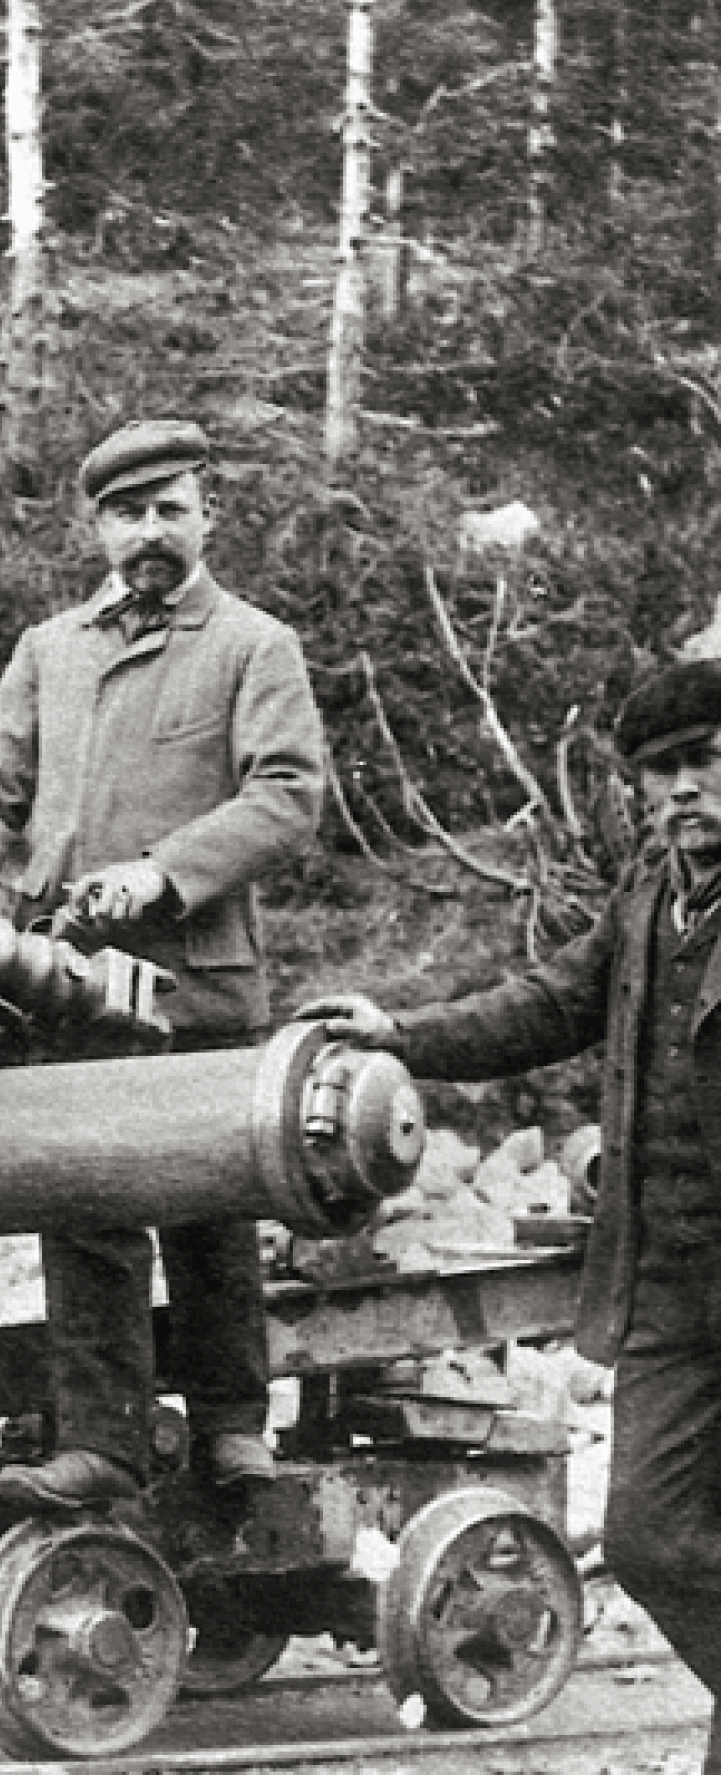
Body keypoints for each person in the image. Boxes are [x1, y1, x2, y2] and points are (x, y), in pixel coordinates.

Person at [300, 657, 721, 1775]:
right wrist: (400, 1033)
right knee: (645, 1533)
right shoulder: (647, 895)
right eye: (659, 773)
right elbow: (544, 1004)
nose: (682, 791)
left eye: (703, 763)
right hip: (668, 1280)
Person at [0, 419, 325, 1508]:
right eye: (125, 512)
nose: (148, 531)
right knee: (83, 1204)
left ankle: (232, 1425)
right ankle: (99, 1438)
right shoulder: (49, 648)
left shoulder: (252, 643)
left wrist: (161, 872)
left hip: (195, 974)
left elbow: (286, 795)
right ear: (94, 525)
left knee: (211, 1203)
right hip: (66, 979)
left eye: (168, 509)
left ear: (206, 516)